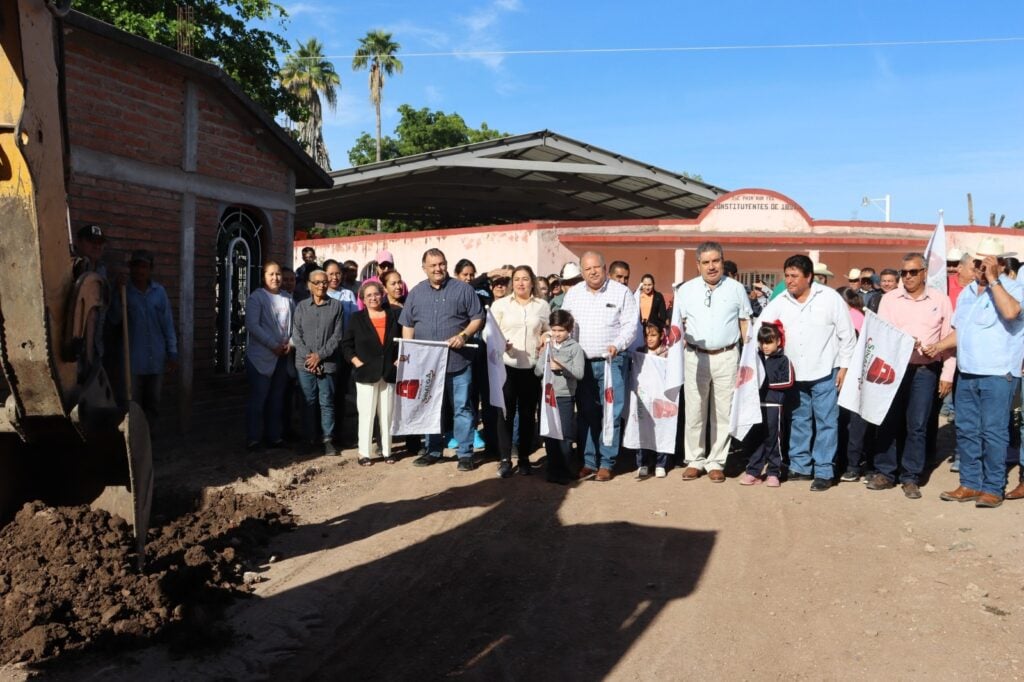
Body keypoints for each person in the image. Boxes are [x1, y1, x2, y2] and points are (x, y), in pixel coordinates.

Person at [924, 237, 1024, 507]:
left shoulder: (1015, 287)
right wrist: (937, 346)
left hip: (998, 373)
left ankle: (992, 487)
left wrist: (994, 281)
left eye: (984, 263)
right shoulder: (968, 293)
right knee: (967, 429)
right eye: (976, 264)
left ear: (1000, 264)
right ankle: (969, 482)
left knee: (994, 432)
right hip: (967, 372)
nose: (978, 268)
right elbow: (960, 332)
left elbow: (1012, 312)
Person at [758, 255, 856, 491]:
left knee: (826, 422)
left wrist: (844, 368)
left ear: (808, 277)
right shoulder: (780, 301)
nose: (789, 281)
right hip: (795, 375)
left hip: (826, 372)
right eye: (787, 276)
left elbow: (847, 335)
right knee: (800, 420)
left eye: (794, 276)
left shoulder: (830, 299)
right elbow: (760, 327)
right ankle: (800, 466)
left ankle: (823, 470)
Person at [864, 253, 955, 499]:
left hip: (925, 370)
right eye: (904, 273)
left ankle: (911, 476)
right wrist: (904, 343)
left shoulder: (941, 300)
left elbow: (950, 339)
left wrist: (947, 374)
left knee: (918, 425)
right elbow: (881, 335)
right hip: (894, 369)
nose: (908, 277)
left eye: (913, 272)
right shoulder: (890, 299)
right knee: (888, 420)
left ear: (924, 272)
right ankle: (885, 471)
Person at [672, 241, 752, 483]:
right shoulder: (685, 291)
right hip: (695, 356)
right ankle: (695, 460)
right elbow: (677, 326)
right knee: (695, 409)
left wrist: (748, 357)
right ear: (698, 265)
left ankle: (716, 461)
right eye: (705, 262)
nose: (711, 266)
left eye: (715, 261)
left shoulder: (737, 289)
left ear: (722, 261)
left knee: (723, 412)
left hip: (727, 356)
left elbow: (745, 323)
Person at [400, 248, 485, 471]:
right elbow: (407, 324)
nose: (438, 269)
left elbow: (478, 317)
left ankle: (465, 454)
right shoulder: (416, 293)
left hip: (459, 362)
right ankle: (433, 450)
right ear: (424, 268)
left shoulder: (463, 290)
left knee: (462, 408)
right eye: (433, 265)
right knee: (430, 407)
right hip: (427, 365)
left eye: (442, 264)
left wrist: (464, 335)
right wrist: (408, 354)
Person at [560, 251, 638, 482]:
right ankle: (588, 461)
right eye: (587, 269)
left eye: (597, 267)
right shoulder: (573, 295)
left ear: (605, 269)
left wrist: (617, 344)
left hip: (611, 362)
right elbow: (566, 326)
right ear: (582, 272)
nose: (593, 272)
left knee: (610, 414)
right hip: (582, 363)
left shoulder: (621, 292)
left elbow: (630, 326)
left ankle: (606, 462)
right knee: (586, 413)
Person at [492, 265, 551, 477]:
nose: (520, 283)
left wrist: (546, 337)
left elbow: (548, 330)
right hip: (506, 366)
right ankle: (505, 459)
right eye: (517, 279)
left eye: (525, 279)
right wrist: (500, 343)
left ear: (532, 282)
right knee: (505, 414)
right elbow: (488, 334)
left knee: (527, 415)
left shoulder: (542, 306)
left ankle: (524, 457)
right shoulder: (499, 305)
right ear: (512, 283)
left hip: (531, 368)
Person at [114, 250, 178, 426]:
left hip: (155, 361)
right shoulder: (125, 292)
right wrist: (119, 296)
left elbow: (168, 325)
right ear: (131, 269)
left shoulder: (159, 293)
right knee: (132, 406)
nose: (140, 271)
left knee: (153, 404)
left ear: (150, 270)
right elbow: (114, 319)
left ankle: (149, 443)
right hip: (133, 362)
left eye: (144, 267)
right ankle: (133, 445)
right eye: (136, 266)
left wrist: (172, 353)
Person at [342, 281, 400, 465]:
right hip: (366, 373)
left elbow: (402, 341)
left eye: (376, 294)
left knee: (387, 414)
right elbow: (346, 345)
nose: (373, 298)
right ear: (363, 300)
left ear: (382, 295)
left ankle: (387, 451)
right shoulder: (356, 318)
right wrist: (357, 362)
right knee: (367, 414)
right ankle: (364, 452)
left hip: (389, 372)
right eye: (369, 296)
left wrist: (400, 360)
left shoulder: (393, 315)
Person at [292, 269, 345, 456]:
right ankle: (308, 438)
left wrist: (320, 356)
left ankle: (328, 439)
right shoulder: (301, 307)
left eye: (324, 282)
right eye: (317, 282)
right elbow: (296, 335)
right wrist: (310, 357)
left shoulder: (336, 306)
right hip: (304, 364)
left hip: (327, 363)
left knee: (327, 401)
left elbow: (337, 336)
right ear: (309, 285)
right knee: (307, 401)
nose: (322, 285)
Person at [244, 261, 294, 451]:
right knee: (258, 399)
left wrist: (290, 343)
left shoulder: (287, 298)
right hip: (260, 358)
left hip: (282, 356)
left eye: (278, 274)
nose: (276, 278)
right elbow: (253, 325)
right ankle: (254, 438)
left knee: (276, 399)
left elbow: (294, 325)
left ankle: (274, 436)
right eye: (271, 274)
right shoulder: (256, 298)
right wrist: (272, 345)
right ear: (263, 276)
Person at [739, 322, 794, 488]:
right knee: (755, 439)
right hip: (756, 406)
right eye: (762, 342)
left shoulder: (783, 360)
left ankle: (773, 472)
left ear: (778, 341)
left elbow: (789, 381)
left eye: (769, 342)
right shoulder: (755, 359)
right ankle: (753, 471)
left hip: (773, 406)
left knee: (773, 440)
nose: (765, 346)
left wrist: (765, 384)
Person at [536, 310, 584, 485]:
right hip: (548, 397)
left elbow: (579, 373)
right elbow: (537, 370)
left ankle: (565, 469)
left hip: (564, 396)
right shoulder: (548, 347)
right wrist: (545, 365)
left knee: (565, 435)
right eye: (554, 330)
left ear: (569, 330)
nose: (557, 334)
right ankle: (552, 469)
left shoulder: (575, 348)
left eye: (561, 331)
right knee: (550, 434)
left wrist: (562, 367)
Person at [838, 287, 871, 480]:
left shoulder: (855, 317)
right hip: (843, 374)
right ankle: (847, 462)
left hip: (855, 375)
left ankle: (852, 464)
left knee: (854, 423)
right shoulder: (847, 316)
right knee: (845, 422)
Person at [635, 322, 671, 480]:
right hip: (643, 396)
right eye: (647, 335)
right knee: (642, 429)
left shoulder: (667, 353)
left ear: (661, 335)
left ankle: (660, 463)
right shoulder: (639, 352)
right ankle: (643, 463)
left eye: (653, 335)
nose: (649, 339)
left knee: (662, 428)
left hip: (661, 398)